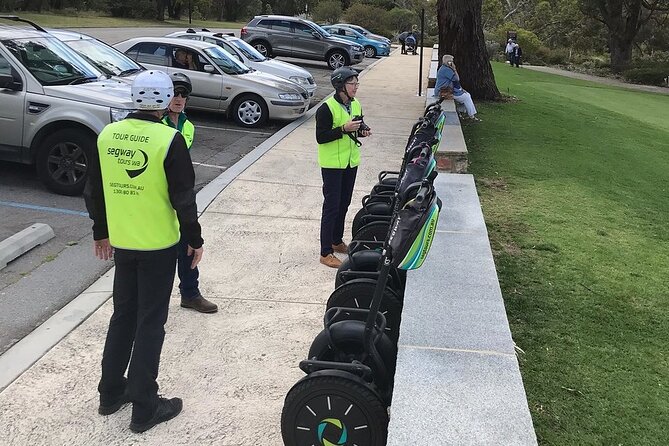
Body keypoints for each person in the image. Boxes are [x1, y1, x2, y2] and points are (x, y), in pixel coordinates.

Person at [84, 69, 203, 433]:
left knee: (123, 316)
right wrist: (194, 239)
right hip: (157, 245)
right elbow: (183, 197)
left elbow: (94, 189)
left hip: (124, 243)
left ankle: (110, 392)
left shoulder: (108, 134)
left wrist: (101, 232)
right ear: (166, 100)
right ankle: (144, 406)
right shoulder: (168, 139)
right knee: (151, 323)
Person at [162, 74, 217, 314]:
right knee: (162, 252)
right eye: (175, 93)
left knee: (188, 244)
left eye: (184, 95)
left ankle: (190, 294)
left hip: (181, 196)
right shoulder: (157, 125)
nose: (179, 99)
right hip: (158, 197)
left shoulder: (188, 126)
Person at [315, 67, 372, 268]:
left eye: (357, 83)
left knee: (344, 203)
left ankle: (336, 240)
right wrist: (342, 129)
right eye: (352, 83)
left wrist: (363, 130)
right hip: (332, 165)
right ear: (340, 86)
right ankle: (325, 252)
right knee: (331, 207)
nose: (356, 86)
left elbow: (360, 123)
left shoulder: (355, 104)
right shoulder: (326, 108)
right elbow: (320, 137)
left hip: (350, 162)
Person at [433, 54, 480, 122]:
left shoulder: (445, 68)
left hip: (446, 90)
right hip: (443, 92)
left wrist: (461, 89)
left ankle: (462, 112)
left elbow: (455, 83)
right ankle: (471, 116)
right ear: (448, 62)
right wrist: (454, 69)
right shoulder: (446, 70)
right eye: (451, 61)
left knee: (467, 95)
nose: (452, 62)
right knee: (466, 97)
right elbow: (457, 79)